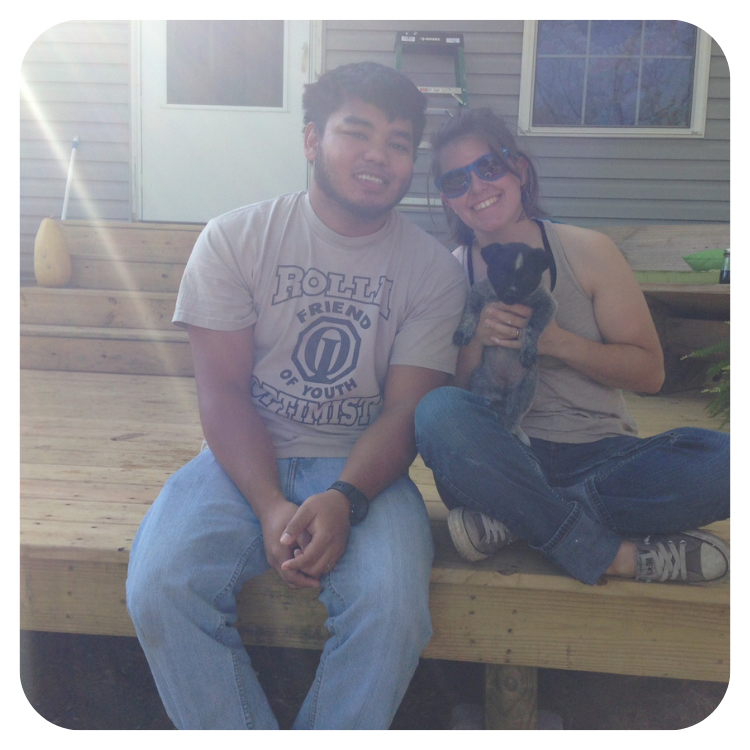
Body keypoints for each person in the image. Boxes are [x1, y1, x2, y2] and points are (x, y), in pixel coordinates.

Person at [125, 62, 467, 731]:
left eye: (399, 143)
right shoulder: (236, 240)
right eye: (357, 132)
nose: (378, 155)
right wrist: (267, 501)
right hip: (243, 456)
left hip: (364, 468)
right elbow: (222, 391)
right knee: (160, 587)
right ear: (311, 140)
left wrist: (344, 497)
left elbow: (406, 411)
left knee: (394, 611)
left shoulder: (431, 270)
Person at [415, 108, 732, 587]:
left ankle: (518, 519)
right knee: (438, 412)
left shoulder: (589, 250)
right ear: (447, 199)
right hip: (502, 455)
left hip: (603, 459)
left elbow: (650, 374)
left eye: (488, 167)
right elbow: (446, 409)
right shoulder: (446, 274)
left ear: (518, 169)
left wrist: (560, 343)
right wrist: (475, 340)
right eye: (456, 181)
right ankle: (608, 552)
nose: (477, 188)